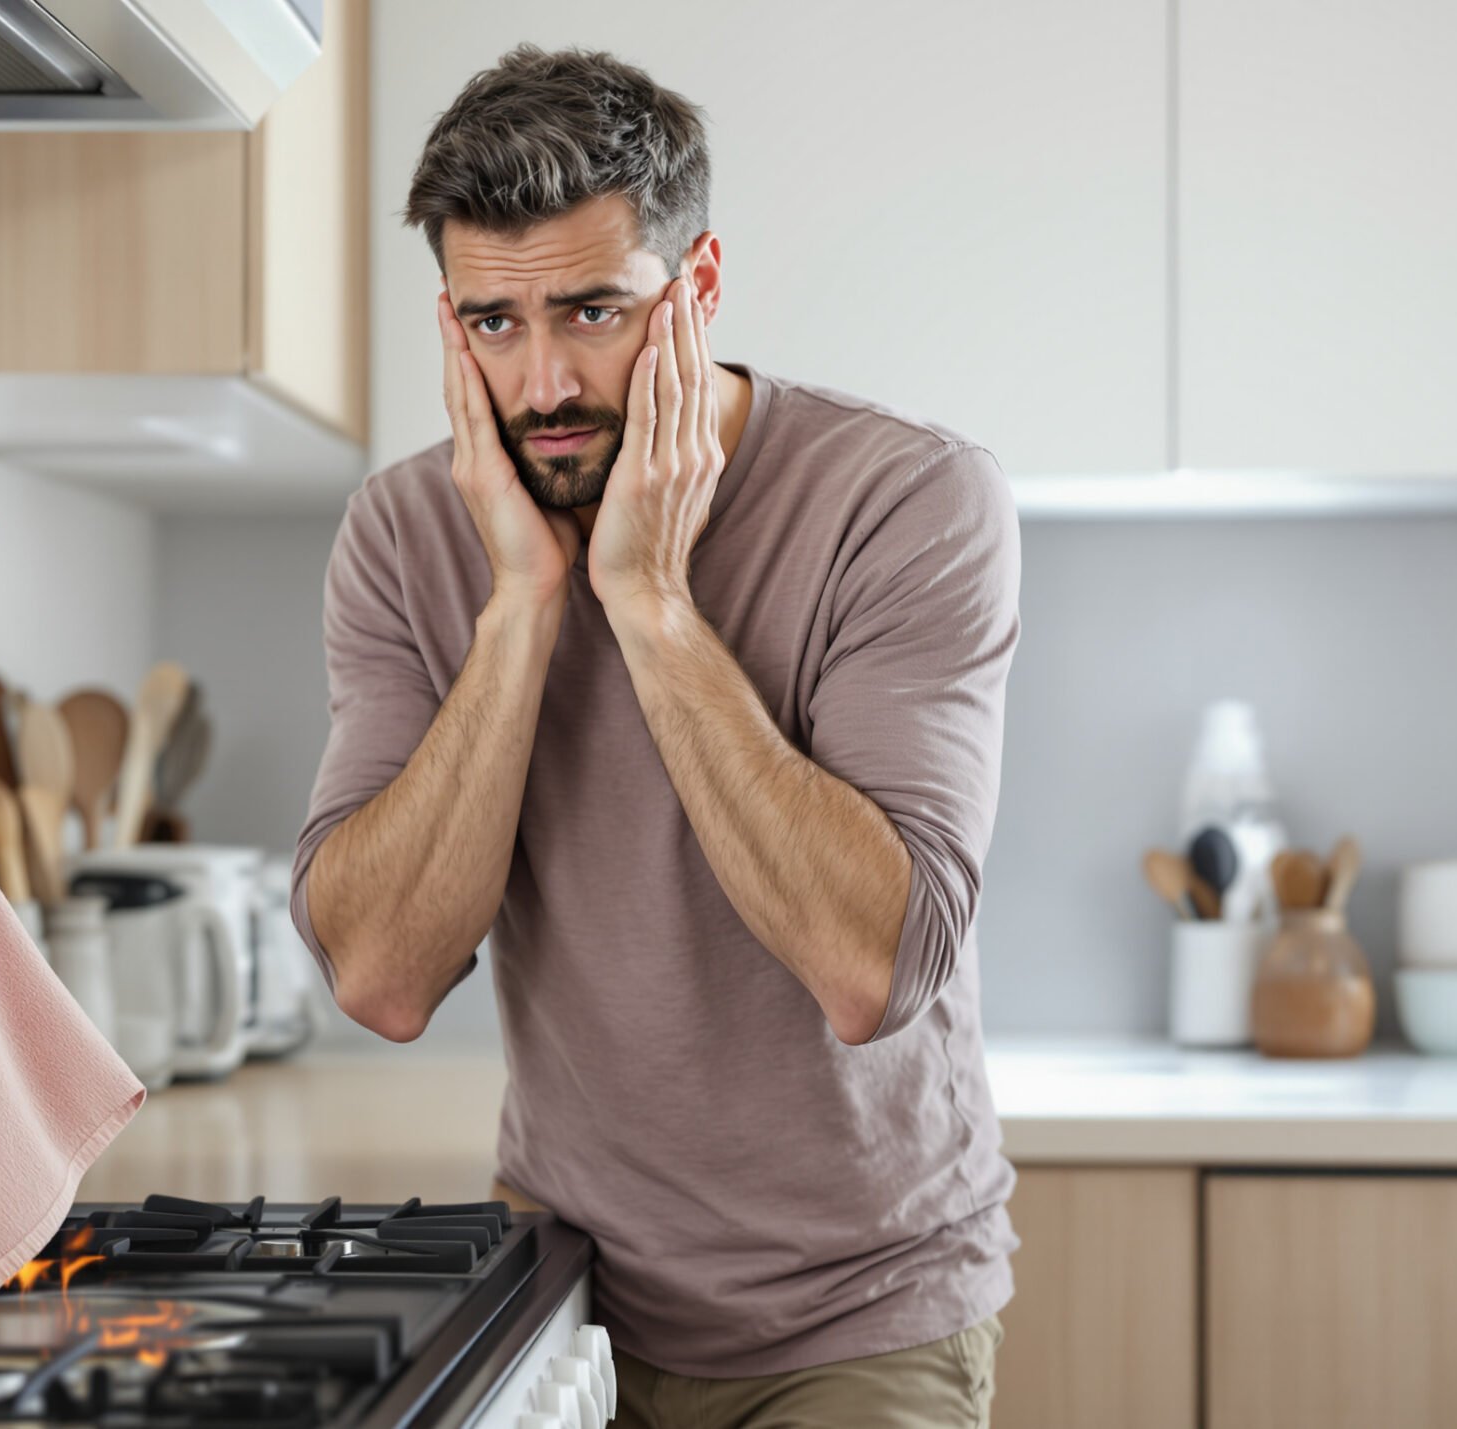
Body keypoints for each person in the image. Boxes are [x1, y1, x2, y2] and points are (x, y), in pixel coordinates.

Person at [288, 44, 1020, 1429]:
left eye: (594, 311)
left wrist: (649, 599)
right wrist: (521, 602)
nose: (545, 381)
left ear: (699, 287)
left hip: (860, 1312)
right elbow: (381, 976)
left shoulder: (909, 501)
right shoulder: (404, 535)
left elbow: (875, 965)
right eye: (492, 325)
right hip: (565, 1297)